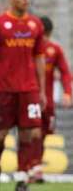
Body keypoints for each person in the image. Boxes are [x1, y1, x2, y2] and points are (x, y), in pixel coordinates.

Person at [0, 0, 46, 191]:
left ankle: (22, 180)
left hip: (29, 89)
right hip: (3, 89)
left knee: (28, 135)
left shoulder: (36, 24)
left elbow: (39, 58)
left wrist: (42, 90)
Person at [28, 16, 72, 182]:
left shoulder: (55, 50)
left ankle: (35, 167)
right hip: (29, 99)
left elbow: (65, 73)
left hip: (48, 103)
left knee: (44, 134)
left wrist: (67, 92)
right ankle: (31, 168)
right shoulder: (27, 49)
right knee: (33, 133)